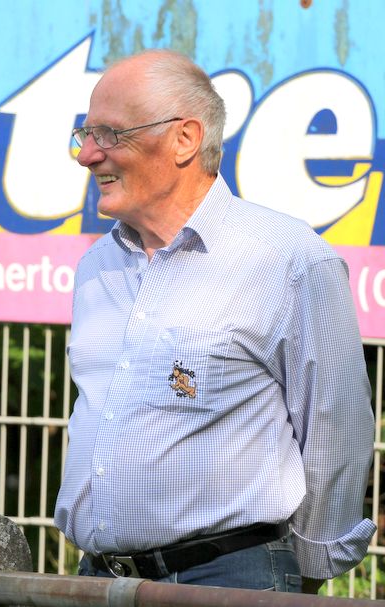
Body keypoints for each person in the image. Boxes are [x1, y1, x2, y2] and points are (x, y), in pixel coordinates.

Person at [54, 49, 375, 594]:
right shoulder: (96, 267)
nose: (87, 155)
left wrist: (309, 574)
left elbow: (335, 427)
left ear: (184, 139)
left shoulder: (288, 259)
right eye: (85, 134)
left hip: (230, 580)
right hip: (101, 578)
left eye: (109, 134)